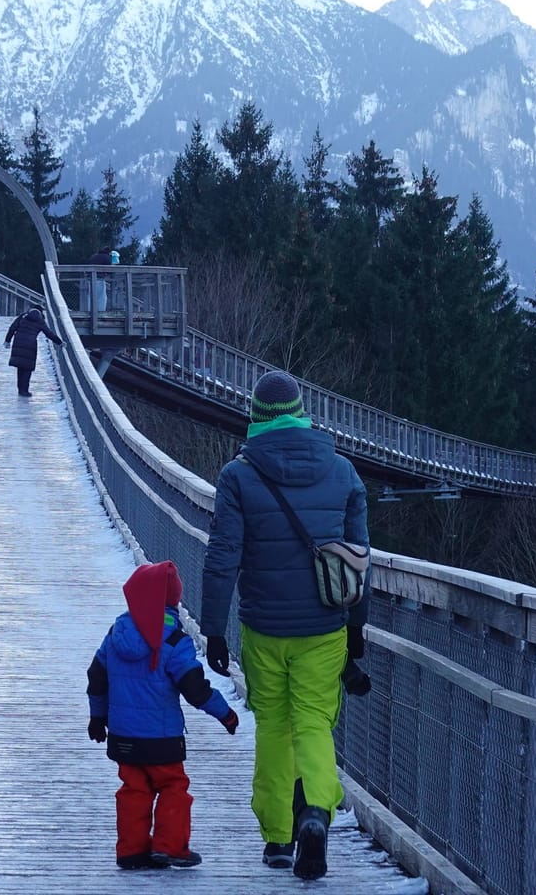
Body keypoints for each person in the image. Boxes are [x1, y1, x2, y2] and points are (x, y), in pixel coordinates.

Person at [200, 370, 370, 880]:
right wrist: (356, 631)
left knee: (273, 727)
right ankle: (315, 813)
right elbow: (361, 562)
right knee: (315, 722)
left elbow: (222, 557)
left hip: (264, 627)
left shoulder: (238, 475)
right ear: (301, 411)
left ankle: (277, 837)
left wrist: (213, 629)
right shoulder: (343, 472)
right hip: (324, 626)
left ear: (256, 416)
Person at [87, 561, 238, 871]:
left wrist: (97, 717)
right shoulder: (174, 640)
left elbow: (96, 676)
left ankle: (131, 851)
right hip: (162, 738)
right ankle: (169, 847)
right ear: (172, 601)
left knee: (133, 790)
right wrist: (225, 714)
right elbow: (194, 688)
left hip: (123, 736)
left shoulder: (116, 633)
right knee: (172, 787)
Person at [3, 306, 60, 397]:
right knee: (27, 368)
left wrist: (7, 340)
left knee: (20, 366)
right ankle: (25, 391)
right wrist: (59, 342)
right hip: (30, 344)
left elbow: (12, 328)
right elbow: (49, 333)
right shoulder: (40, 321)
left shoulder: (23, 316)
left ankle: (20, 389)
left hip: (18, 342)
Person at [85, 246, 112, 313]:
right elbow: (110, 270)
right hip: (99, 279)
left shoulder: (94, 256)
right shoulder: (106, 257)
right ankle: (101, 313)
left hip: (89, 279)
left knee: (91, 297)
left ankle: (90, 312)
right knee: (101, 298)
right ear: (108, 252)